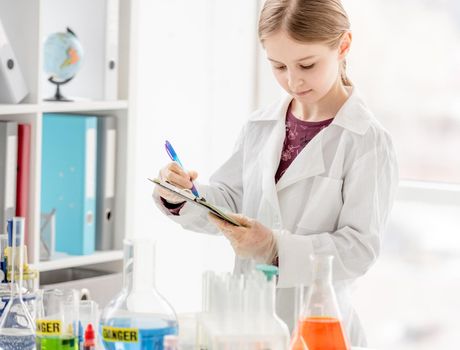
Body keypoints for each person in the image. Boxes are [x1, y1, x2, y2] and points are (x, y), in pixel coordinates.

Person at [153, 0, 398, 346]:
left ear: (343, 46)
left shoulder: (367, 141)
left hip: (318, 326)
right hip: (248, 323)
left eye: (307, 64)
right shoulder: (260, 125)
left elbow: (358, 249)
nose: (293, 80)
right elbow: (230, 203)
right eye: (278, 66)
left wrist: (274, 247)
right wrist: (181, 196)